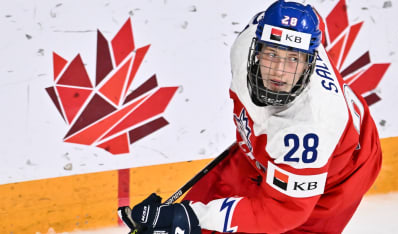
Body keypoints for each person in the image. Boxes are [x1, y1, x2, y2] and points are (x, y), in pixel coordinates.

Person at [123, 0, 382, 233]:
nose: (279, 72)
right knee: (204, 207)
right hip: (266, 151)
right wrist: (186, 215)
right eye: (271, 54)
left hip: (335, 178)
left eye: (293, 59)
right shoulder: (244, 43)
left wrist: (193, 218)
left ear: (310, 62)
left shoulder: (310, 126)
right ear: (256, 49)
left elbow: (283, 212)